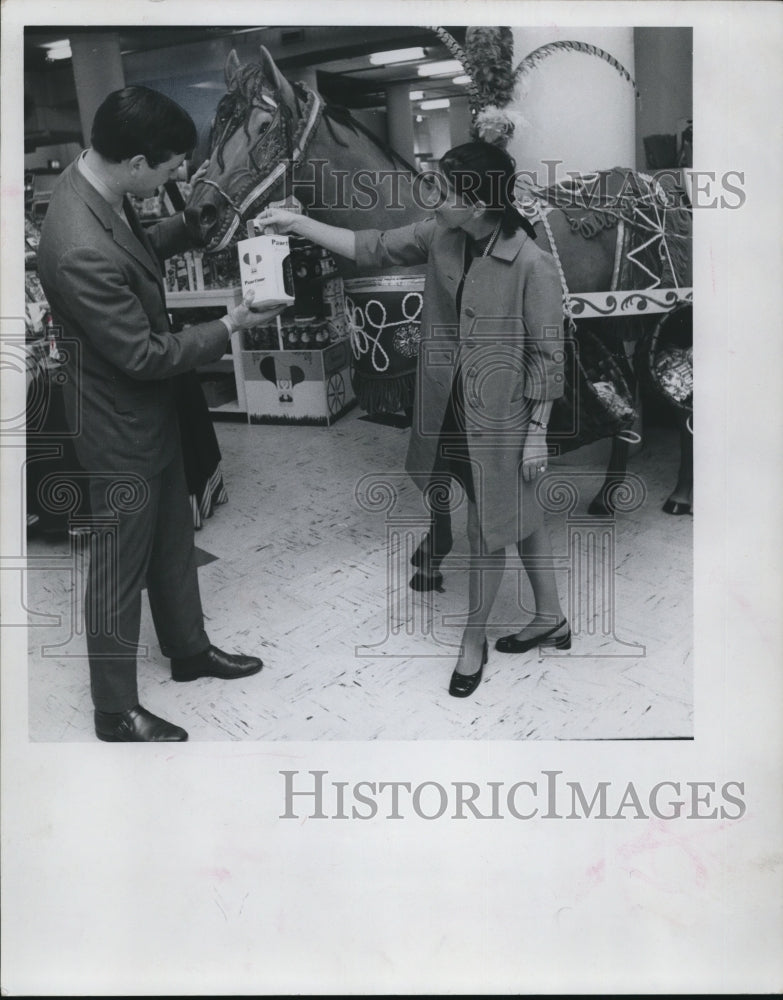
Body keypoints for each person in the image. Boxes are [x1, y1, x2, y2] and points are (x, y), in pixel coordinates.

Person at [255, 140, 570, 698]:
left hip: (503, 420)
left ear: (476, 203)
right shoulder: (441, 233)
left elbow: (548, 358)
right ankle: (551, 617)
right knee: (513, 511)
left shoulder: (530, 263)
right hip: (448, 403)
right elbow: (368, 245)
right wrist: (297, 221)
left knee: (487, 529)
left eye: (445, 190)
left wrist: (537, 436)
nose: (434, 197)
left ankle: (473, 642)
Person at [37, 87, 284, 741]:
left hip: (147, 412)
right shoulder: (76, 244)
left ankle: (189, 652)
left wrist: (194, 225)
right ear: (137, 161)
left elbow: (137, 248)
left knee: (173, 539)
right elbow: (144, 355)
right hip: (118, 420)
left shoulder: (96, 186)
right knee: (119, 568)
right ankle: (113, 709)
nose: (177, 175)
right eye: (172, 165)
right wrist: (230, 322)